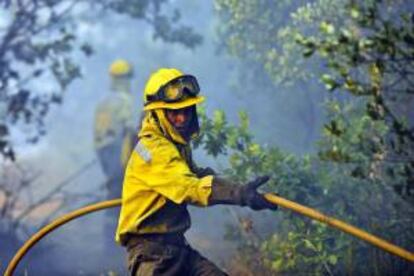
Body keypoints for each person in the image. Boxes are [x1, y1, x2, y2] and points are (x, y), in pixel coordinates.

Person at [116, 68, 277, 276]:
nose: (182, 119)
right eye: (174, 113)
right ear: (157, 113)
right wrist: (240, 195)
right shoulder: (154, 151)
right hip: (152, 257)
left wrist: (242, 187)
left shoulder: (174, 143)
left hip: (179, 250)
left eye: (187, 111)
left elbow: (196, 176)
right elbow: (190, 188)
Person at [94, 59, 136, 250]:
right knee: (118, 194)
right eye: (126, 78)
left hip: (104, 151)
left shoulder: (103, 101)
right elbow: (129, 131)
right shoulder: (124, 100)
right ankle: (112, 245)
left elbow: (97, 134)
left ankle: (111, 242)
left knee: (114, 193)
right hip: (117, 151)